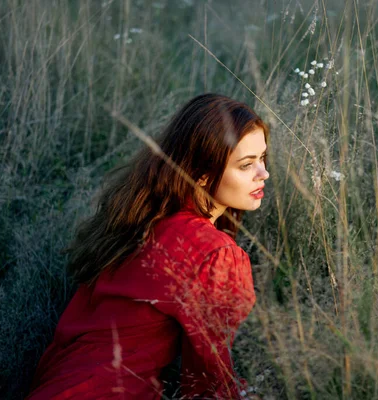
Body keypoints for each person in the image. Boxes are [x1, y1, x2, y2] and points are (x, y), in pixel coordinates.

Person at [26, 93, 269, 399]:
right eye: (247, 165)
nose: (264, 173)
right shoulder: (216, 254)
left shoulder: (140, 220)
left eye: (263, 158)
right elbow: (209, 381)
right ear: (203, 175)